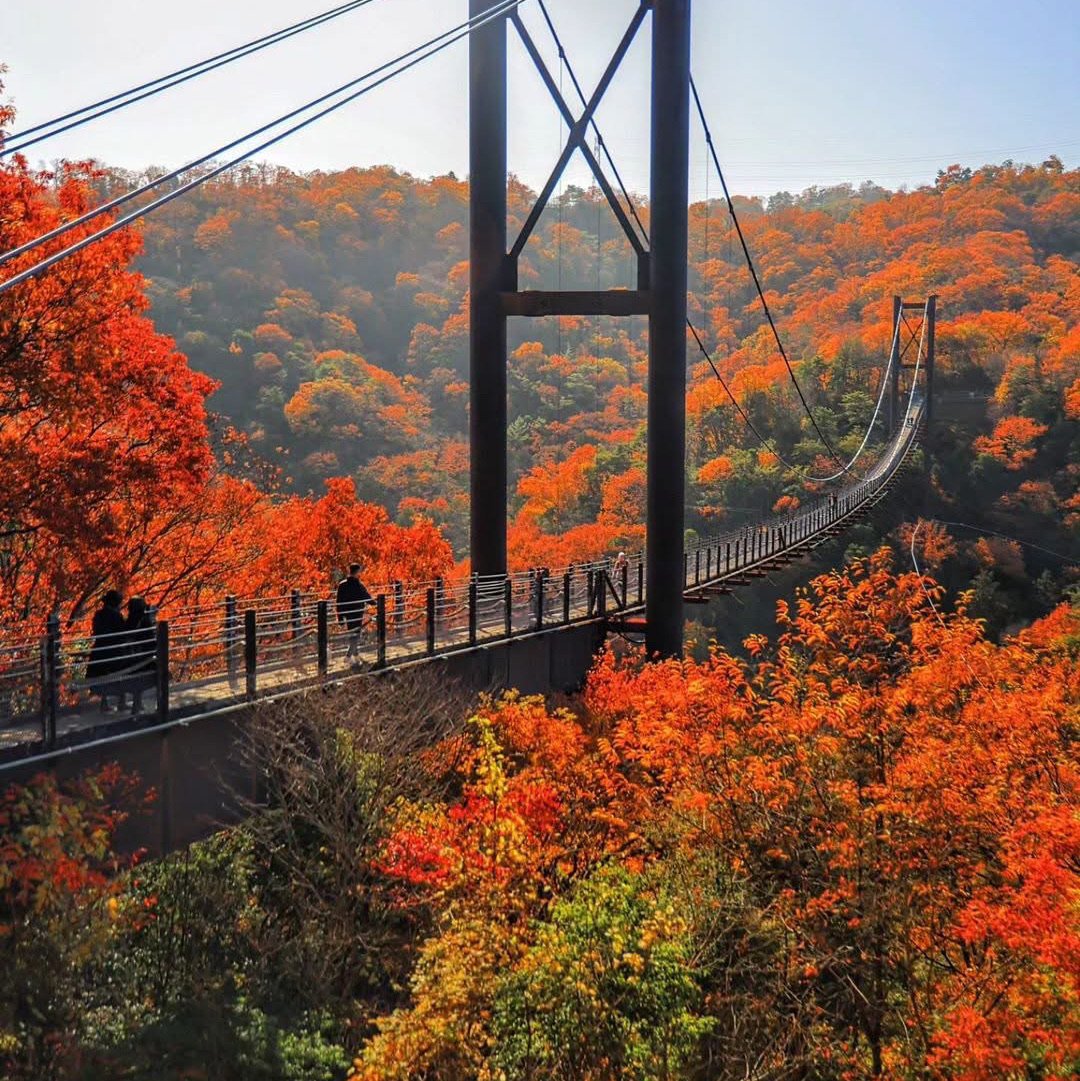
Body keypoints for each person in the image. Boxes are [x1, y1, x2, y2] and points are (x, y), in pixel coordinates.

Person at [85, 590, 127, 712]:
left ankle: (104, 702)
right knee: (120, 673)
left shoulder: (98, 615)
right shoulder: (116, 616)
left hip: (100, 649)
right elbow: (122, 632)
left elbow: (96, 631)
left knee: (102, 675)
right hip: (114, 650)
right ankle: (122, 702)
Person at [124, 596, 157, 717]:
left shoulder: (128, 621)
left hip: (127, 657)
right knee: (149, 673)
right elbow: (151, 640)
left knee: (135, 674)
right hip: (143, 657)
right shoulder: (145, 621)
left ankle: (135, 704)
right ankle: (137, 704)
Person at [336, 563, 372, 661]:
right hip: (357, 612)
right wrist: (376, 603)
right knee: (356, 634)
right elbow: (367, 597)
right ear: (358, 572)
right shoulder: (358, 585)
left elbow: (339, 602)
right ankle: (348, 656)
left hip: (347, 613)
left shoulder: (342, 585)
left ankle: (355, 655)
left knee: (352, 633)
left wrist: (340, 618)